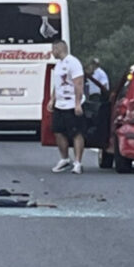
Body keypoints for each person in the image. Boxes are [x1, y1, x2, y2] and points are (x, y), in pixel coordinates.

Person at [47, 39, 86, 174]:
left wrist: (77, 104)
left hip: (71, 103)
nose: (52, 52)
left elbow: (78, 84)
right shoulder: (58, 65)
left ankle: (78, 162)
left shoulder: (73, 63)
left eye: (53, 49)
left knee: (76, 133)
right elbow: (57, 84)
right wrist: (52, 99)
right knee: (58, 131)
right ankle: (65, 159)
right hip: (60, 104)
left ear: (58, 49)